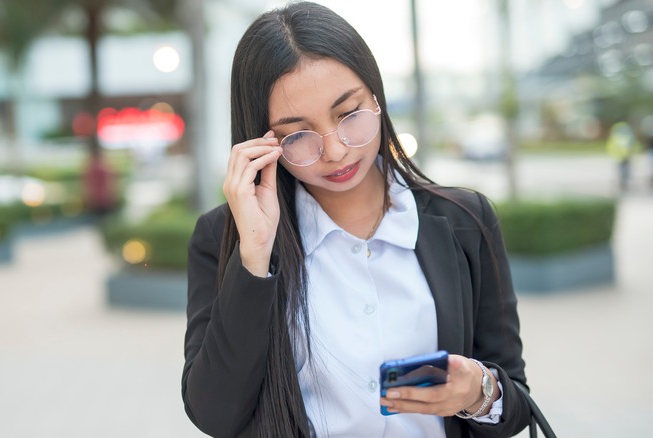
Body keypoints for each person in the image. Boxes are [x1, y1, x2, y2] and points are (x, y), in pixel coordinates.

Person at [182, 2, 531, 437]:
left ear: (377, 98)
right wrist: (253, 254)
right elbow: (215, 414)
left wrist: (479, 392)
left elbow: (515, 400)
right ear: (261, 140)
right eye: (298, 135)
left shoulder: (463, 221)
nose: (336, 151)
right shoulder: (225, 238)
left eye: (349, 114)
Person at [606, 121, 639, 192]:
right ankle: (623, 183)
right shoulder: (624, 137)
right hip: (621, 157)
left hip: (624, 157)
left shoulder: (618, 137)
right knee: (622, 171)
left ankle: (623, 183)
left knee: (624, 171)